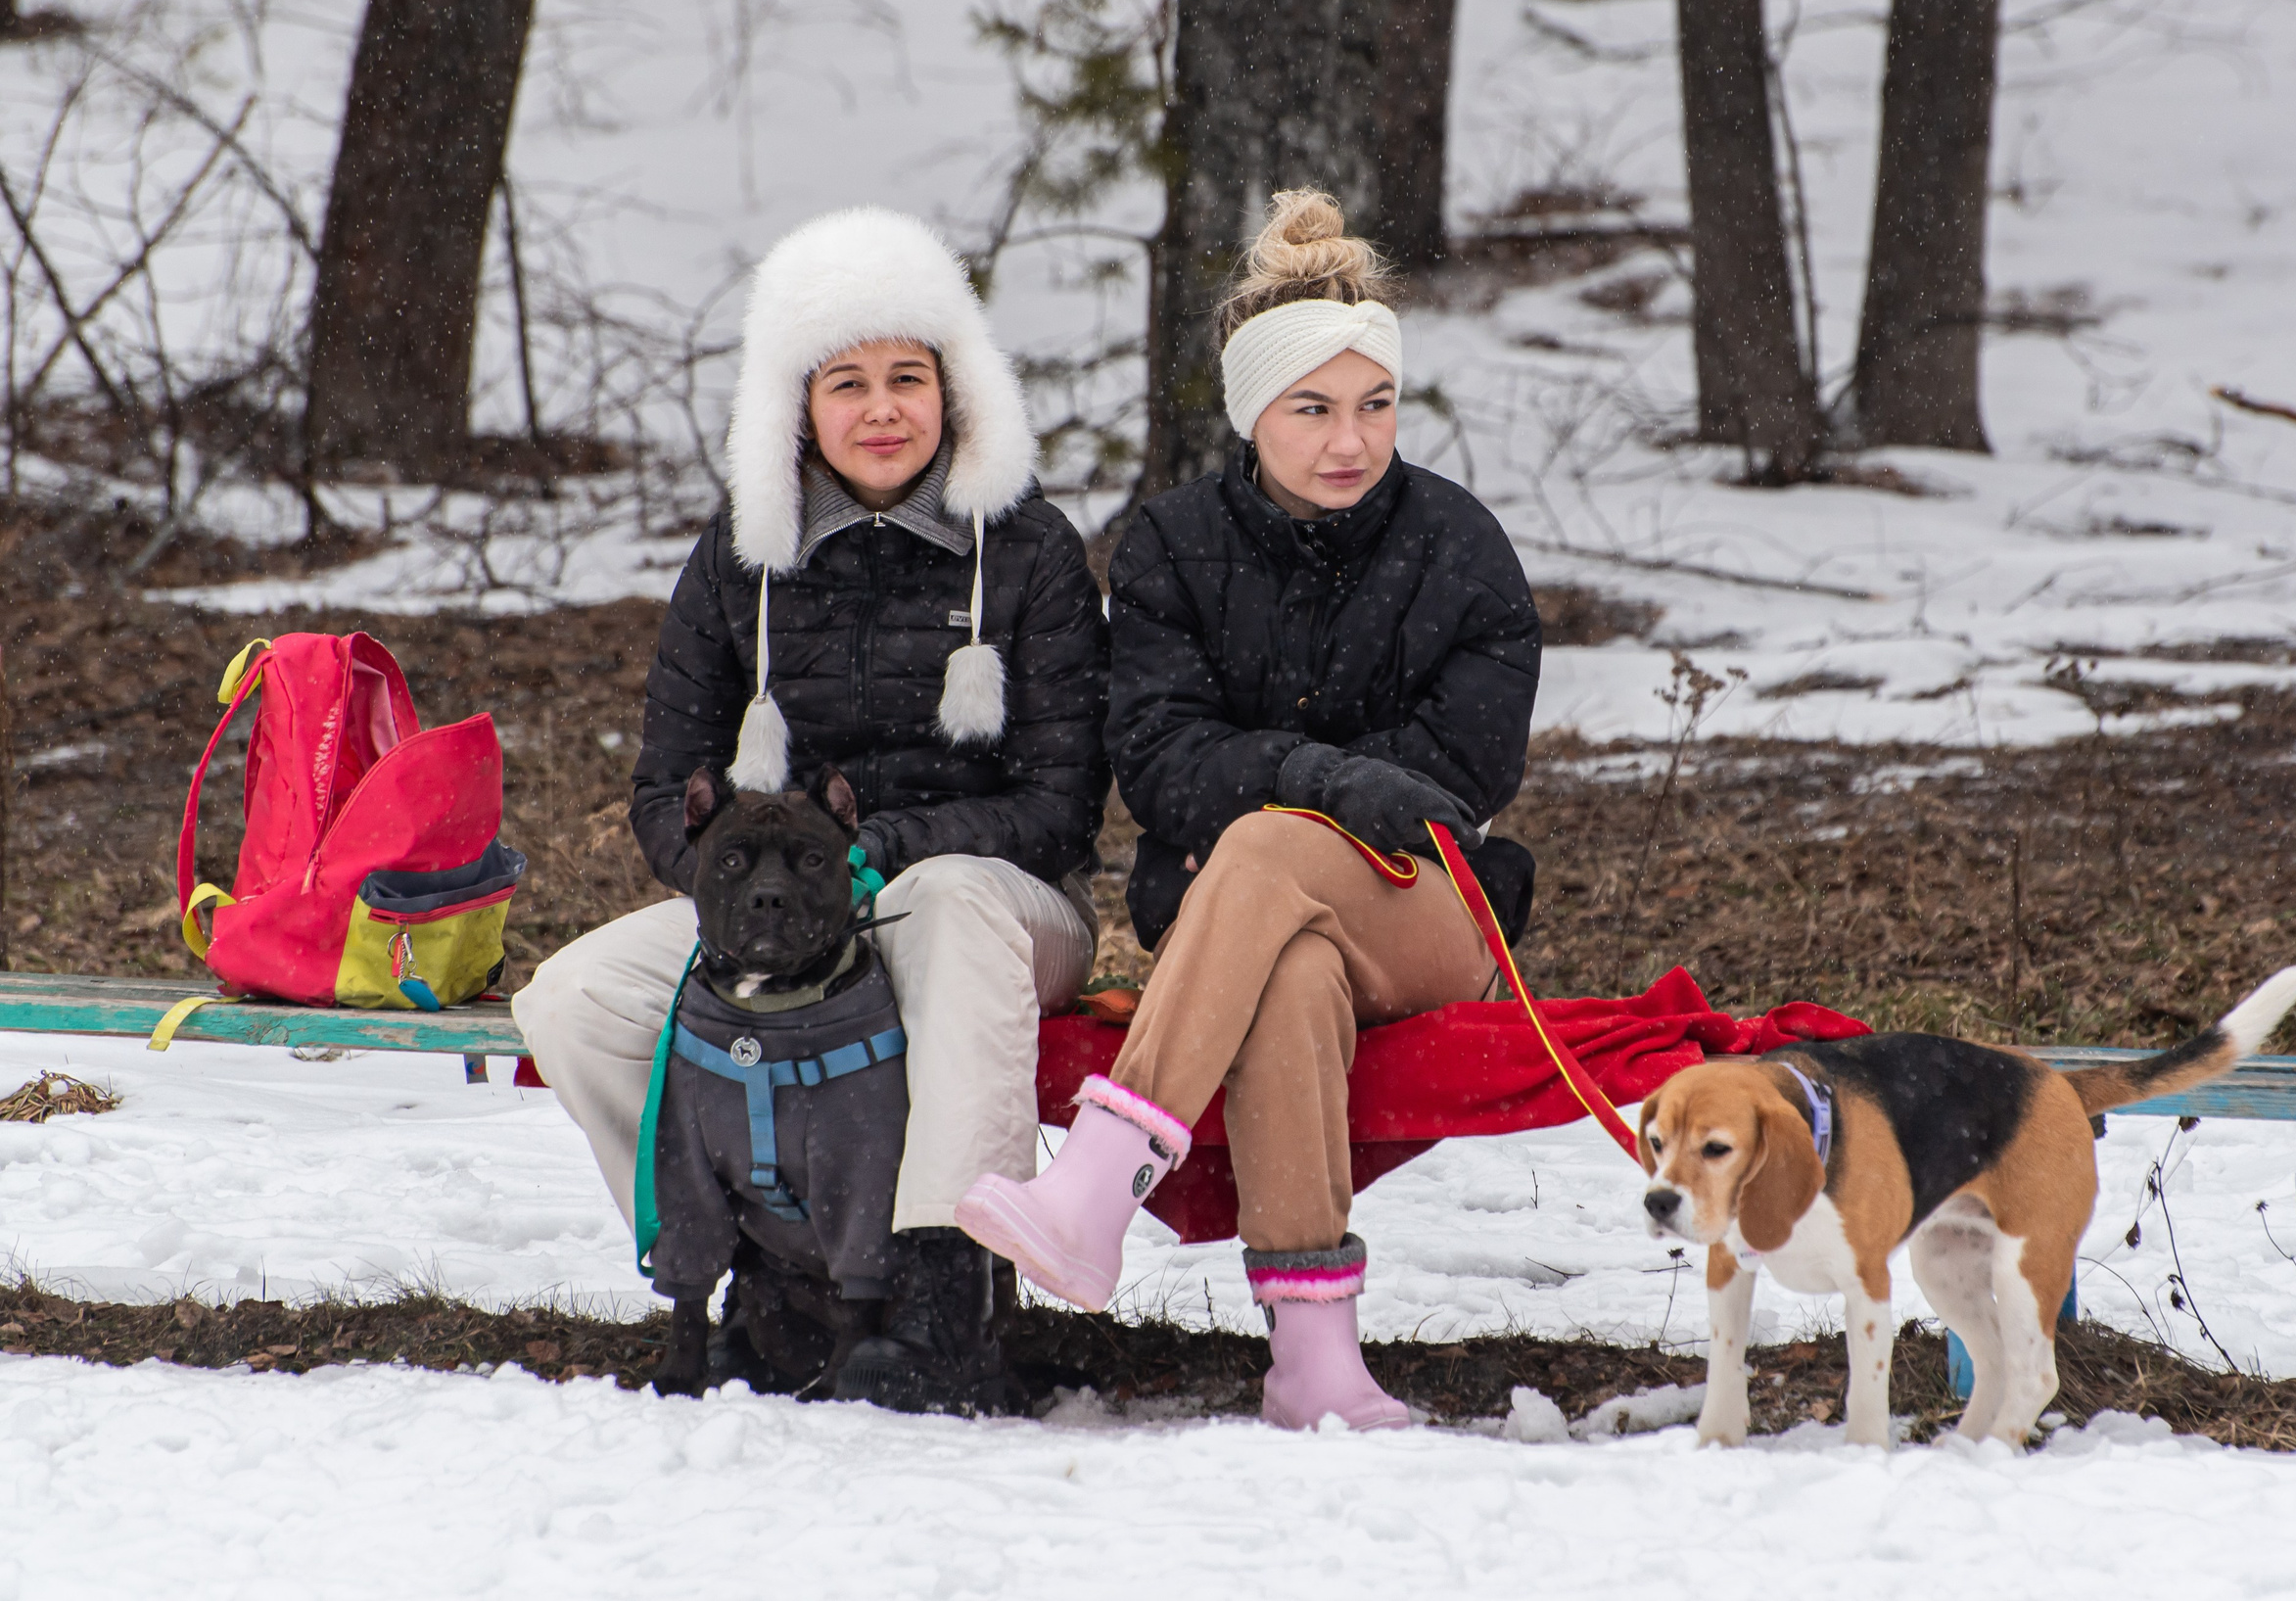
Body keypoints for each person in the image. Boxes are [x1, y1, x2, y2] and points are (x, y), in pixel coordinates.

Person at [957, 190, 1542, 1432]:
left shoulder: (1459, 546)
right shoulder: (1174, 545)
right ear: (1250, 414)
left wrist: (1281, 786)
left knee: (1271, 840)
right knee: (1288, 970)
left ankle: (1098, 1184)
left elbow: (1463, 773)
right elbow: (1159, 757)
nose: (1351, 440)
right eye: (1313, 409)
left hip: (1430, 914)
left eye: (1374, 404)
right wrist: (1329, 776)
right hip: (1259, 930)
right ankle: (1314, 1357)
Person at [513, 206, 1108, 1414]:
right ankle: (754, 1260)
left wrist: (886, 850)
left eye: (908, 377)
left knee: (942, 905)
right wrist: (740, 896)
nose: (881, 409)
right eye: (847, 382)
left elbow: (1058, 804)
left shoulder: (1032, 550)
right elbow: (663, 785)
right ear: (797, 402)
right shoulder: (742, 556)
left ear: (957, 391)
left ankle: (946, 1296)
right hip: (785, 897)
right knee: (571, 1000)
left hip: (1000, 900)